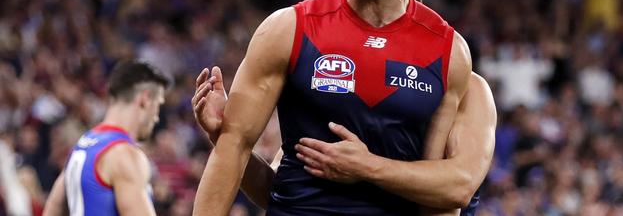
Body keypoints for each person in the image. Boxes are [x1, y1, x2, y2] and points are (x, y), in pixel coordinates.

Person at [193, 0, 473, 215]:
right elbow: (233, 149)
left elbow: (441, 199)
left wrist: (367, 167)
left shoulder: (448, 52)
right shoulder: (288, 29)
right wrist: (220, 133)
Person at [193, 66, 496, 215]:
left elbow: (459, 187)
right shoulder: (329, 93)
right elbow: (277, 190)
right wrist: (223, 135)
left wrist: (368, 167)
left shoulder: (464, 85)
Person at [43, 60, 170, 216]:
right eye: (158, 105)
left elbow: (52, 209)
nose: (156, 118)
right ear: (145, 100)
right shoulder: (125, 155)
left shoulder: (83, 145)